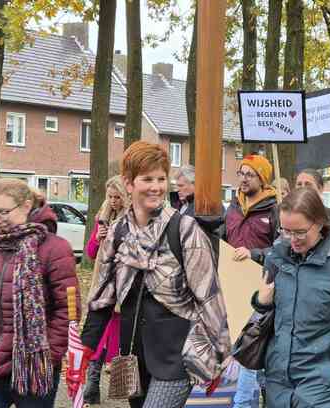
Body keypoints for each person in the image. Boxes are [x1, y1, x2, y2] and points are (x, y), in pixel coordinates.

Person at [81, 141, 231, 408]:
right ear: (129, 183)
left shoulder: (184, 230)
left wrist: (219, 354)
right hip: (132, 358)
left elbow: (208, 296)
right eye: (147, 179)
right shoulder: (117, 233)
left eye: (161, 179)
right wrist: (85, 348)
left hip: (176, 355)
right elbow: (102, 296)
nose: (156, 186)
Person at [0, 178, 79, 407]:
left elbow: (68, 311)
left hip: (34, 366)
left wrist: (48, 354)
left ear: (26, 206)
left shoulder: (55, 248)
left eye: (3, 212)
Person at [253, 187, 330, 407]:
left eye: (300, 232)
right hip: (278, 385)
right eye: (285, 231)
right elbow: (266, 318)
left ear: (319, 223)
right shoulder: (277, 257)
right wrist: (261, 302)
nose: (292, 240)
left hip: (325, 389)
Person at [224, 154, 280, 407]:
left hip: (263, 288)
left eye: (250, 174)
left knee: (255, 346)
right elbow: (224, 237)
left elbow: (283, 248)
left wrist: (255, 254)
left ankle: (247, 401)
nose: (244, 179)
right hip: (235, 285)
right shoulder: (233, 206)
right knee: (244, 345)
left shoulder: (274, 207)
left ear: (263, 178)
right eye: (241, 173)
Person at [82, 175, 130, 405]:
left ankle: (124, 389)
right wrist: (98, 237)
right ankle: (91, 382)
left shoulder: (132, 219)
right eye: (110, 196)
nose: (113, 201)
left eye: (117, 197)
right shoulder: (102, 217)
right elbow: (90, 253)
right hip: (102, 287)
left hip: (123, 287)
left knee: (123, 339)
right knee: (98, 336)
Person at [295, 168, 330, 235]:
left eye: (308, 184)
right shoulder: (284, 215)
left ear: (320, 188)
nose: (303, 188)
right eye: (299, 184)